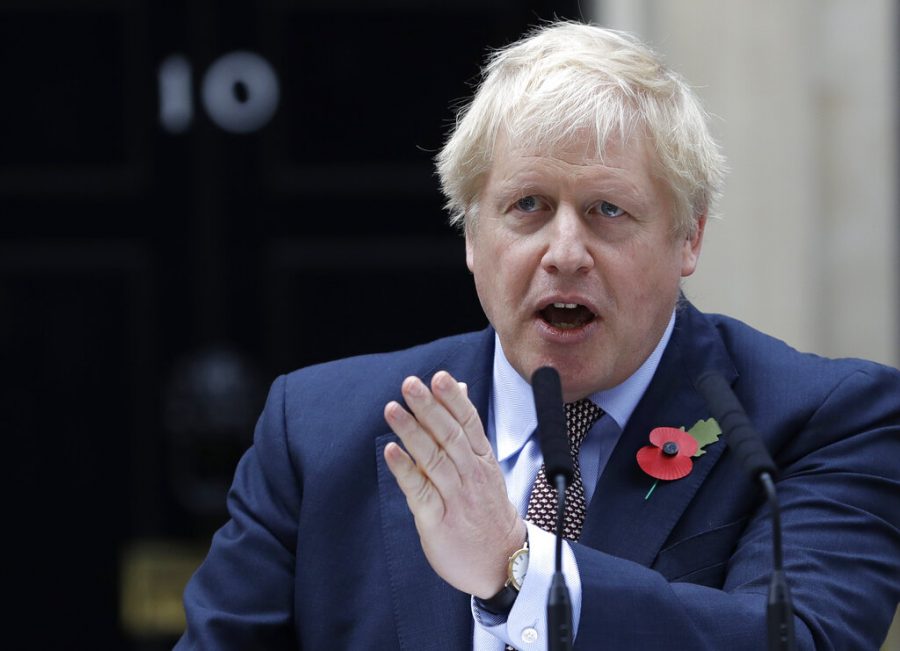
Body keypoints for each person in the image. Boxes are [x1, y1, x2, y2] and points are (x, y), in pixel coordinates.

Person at [175, 21, 900, 650]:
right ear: (470, 233)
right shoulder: (317, 430)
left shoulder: (817, 422)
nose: (564, 251)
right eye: (527, 205)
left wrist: (518, 567)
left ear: (688, 237)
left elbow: (797, 638)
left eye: (607, 210)